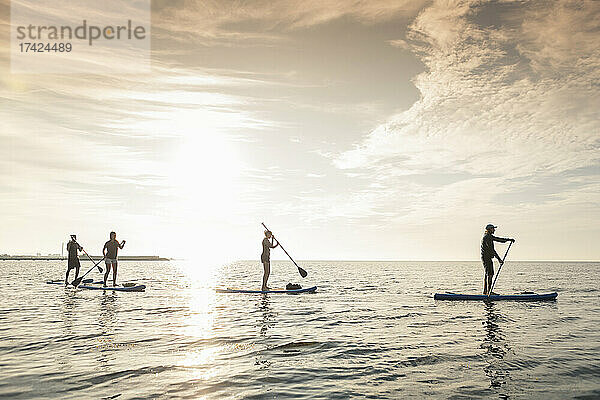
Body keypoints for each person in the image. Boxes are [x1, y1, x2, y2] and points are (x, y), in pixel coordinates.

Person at [481, 224, 515, 295]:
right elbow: (492, 250)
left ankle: (485, 292)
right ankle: (489, 292)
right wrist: (499, 259)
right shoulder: (487, 237)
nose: (494, 230)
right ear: (489, 229)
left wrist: (509, 240)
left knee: (487, 274)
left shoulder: (489, 236)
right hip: (486, 258)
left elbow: (499, 239)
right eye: (493, 229)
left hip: (487, 258)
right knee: (490, 274)